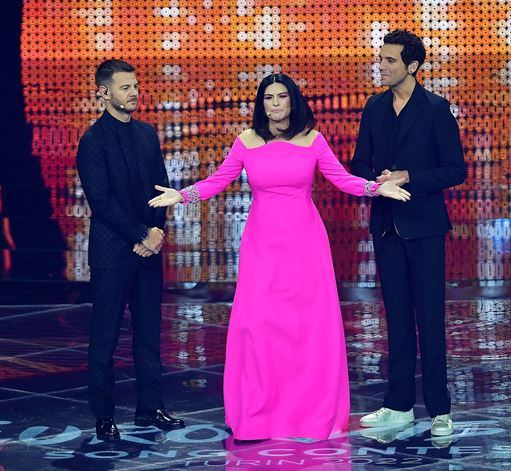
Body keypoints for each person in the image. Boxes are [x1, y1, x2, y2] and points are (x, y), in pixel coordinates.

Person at [148, 73, 410, 440]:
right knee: (258, 328)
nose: (274, 103)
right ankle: (260, 416)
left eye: (281, 96)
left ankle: (309, 415)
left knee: (307, 329)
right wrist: (183, 195)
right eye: (268, 97)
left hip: (306, 245)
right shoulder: (246, 142)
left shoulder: (313, 140)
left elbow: (341, 179)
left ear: (292, 101)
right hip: (262, 246)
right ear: (262, 104)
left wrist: (376, 188)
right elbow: (217, 181)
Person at [350, 30, 467, 437]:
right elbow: (358, 162)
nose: (380, 66)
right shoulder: (374, 107)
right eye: (380, 59)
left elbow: (456, 170)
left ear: (412, 66)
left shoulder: (436, 109)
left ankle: (439, 409)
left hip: (425, 227)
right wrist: (376, 181)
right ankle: (398, 404)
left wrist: (409, 177)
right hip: (386, 226)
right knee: (396, 317)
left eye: (389, 60)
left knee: (429, 318)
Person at [76, 59, 184, 440]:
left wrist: (155, 234)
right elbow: (101, 202)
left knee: (149, 334)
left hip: (148, 250)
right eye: (125, 87)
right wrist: (141, 234)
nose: (134, 92)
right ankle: (103, 415)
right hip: (112, 253)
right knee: (105, 336)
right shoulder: (91, 141)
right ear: (103, 92)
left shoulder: (146, 135)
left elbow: (162, 189)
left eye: (135, 85)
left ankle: (150, 407)